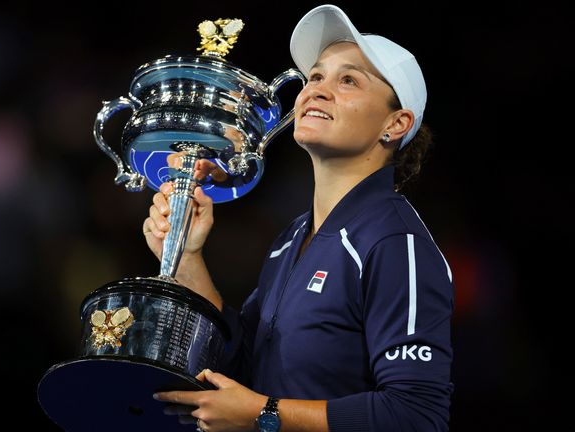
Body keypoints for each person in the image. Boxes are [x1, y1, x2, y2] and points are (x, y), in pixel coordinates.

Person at [143, 4, 454, 431]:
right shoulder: (293, 238)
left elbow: (417, 414)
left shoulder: (394, 242)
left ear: (395, 124)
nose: (318, 90)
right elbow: (245, 361)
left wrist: (262, 415)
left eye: (348, 80)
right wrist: (188, 257)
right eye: (316, 77)